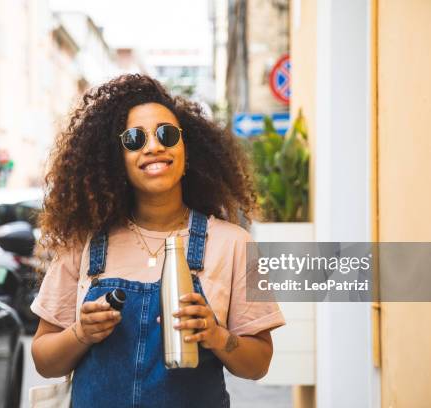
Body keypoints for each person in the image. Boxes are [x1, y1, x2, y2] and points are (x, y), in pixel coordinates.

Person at [30, 74, 285, 407]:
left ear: (186, 150)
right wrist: (82, 333)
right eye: (135, 139)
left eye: (167, 134)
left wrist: (216, 335)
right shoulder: (85, 244)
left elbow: (258, 364)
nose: (153, 146)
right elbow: (44, 360)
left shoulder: (233, 244)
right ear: (116, 159)